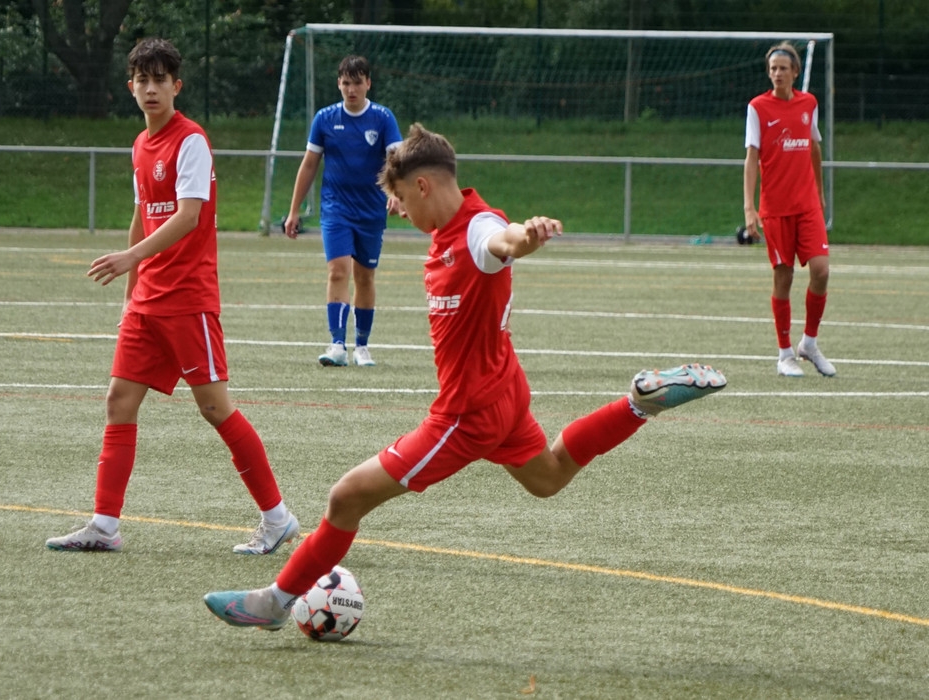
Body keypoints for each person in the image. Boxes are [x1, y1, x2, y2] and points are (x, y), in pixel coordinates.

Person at [203, 123, 727, 630]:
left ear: (423, 185)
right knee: (547, 477)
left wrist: (528, 236)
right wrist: (502, 232)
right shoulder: (450, 229)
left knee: (346, 497)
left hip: (467, 414)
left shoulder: (476, 230)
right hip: (503, 391)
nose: (398, 211)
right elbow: (491, 234)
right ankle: (637, 404)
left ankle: (275, 602)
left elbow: (504, 240)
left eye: (401, 199)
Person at [46, 38, 298, 555]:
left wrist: (129, 257)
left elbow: (187, 216)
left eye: (160, 79)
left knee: (215, 408)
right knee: (119, 402)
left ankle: (277, 519)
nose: (151, 88)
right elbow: (142, 214)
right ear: (130, 87)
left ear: (176, 86)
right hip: (147, 302)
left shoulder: (192, 140)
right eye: (142, 79)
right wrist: (130, 292)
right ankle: (104, 525)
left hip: (187, 298)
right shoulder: (140, 145)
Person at [283, 55, 404, 368]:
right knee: (338, 270)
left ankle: (362, 346)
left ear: (368, 84)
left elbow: (396, 162)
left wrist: (396, 194)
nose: (351, 89)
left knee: (364, 276)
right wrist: (294, 210)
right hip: (336, 209)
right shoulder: (324, 119)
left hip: (371, 212)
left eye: (357, 83)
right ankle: (337, 344)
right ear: (338, 83)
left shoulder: (382, 118)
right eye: (346, 83)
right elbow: (309, 165)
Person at [743, 42, 836, 378]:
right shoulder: (757, 108)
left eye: (783, 68)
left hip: (807, 204)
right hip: (776, 208)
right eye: (773, 69)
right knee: (784, 277)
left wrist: (820, 193)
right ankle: (784, 354)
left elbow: (814, 147)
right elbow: (751, 159)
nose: (777, 73)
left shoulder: (808, 103)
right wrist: (749, 207)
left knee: (821, 271)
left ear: (795, 72)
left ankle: (809, 343)